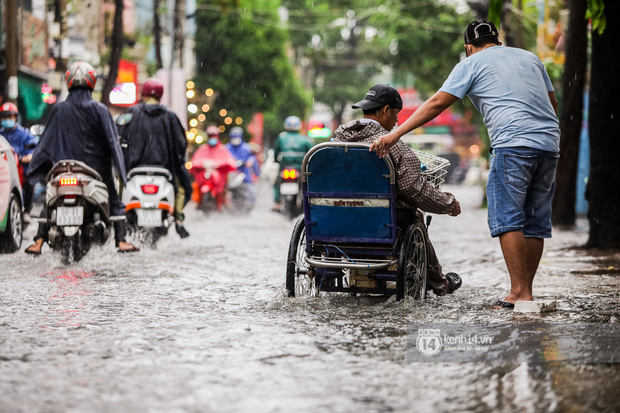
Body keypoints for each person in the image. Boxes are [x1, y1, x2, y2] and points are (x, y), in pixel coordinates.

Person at [371, 20, 560, 308]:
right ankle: (527, 293)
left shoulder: (470, 64)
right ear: (496, 40)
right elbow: (552, 104)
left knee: (508, 219)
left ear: (468, 47)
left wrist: (394, 135)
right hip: (549, 144)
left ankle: (518, 294)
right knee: (534, 222)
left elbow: (436, 104)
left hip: (513, 145)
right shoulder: (531, 58)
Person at [334, 84, 462, 296]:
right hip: (382, 225)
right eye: (396, 115)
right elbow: (415, 188)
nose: (397, 122)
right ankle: (439, 283)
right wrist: (448, 203)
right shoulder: (393, 146)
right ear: (385, 110)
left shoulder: (335, 143)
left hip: (338, 222)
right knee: (415, 215)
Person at [24, 61, 139, 254]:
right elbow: (112, 142)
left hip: (61, 170)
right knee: (114, 197)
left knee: (48, 197)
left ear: (68, 82)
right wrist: (120, 168)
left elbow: (45, 142)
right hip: (95, 171)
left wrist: (38, 167)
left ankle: (39, 240)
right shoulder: (100, 109)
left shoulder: (59, 109)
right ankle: (121, 240)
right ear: (92, 82)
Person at [117, 78, 193, 239]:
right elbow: (181, 143)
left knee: (118, 186)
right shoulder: (171, 116)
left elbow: (117, 135)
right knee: (182, 189)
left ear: (143, 93)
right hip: (165, 171)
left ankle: (116, 217)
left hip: (132, 169)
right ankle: (178, 219)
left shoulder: (130, 113)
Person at [0, 102, 38, 214]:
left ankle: (26, 210)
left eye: (9, 116)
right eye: (4, 116)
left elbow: (32, 154)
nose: (7, 119)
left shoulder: (25, 134)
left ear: (15, 118)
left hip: (20, 170)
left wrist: (21, 159)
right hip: (3, 170)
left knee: (30, 181)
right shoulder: (1, 135)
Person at [190, 126, 237, 211]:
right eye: (210, 136)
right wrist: (203, 164)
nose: (212, 138)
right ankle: (199, 202)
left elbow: (230, 161)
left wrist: (218, 164)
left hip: (219, 178)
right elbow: (195, 161)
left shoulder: (222, 149)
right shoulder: (202, 149)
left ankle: (223, 202)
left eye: (214, 135)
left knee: (223, 188)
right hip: (205, 176)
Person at [272, 116, 313, 212]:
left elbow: (275, 152)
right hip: (300, 168)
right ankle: (307, 201)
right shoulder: (305, 139)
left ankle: (277, 203)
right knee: (305, 183)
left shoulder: (281, 137)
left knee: (277, 182)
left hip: (284, 166)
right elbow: (311, 154)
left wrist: (276, 161)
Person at [226, 126, 260, 202]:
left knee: (250, 190)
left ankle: (250, 202)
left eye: (237, 137)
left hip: (244, 174)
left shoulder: (246, 148)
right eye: (234, 137)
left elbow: (252, 158)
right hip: (230, 175)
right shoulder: (227, 148)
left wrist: (250, 162)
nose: (235, 139)